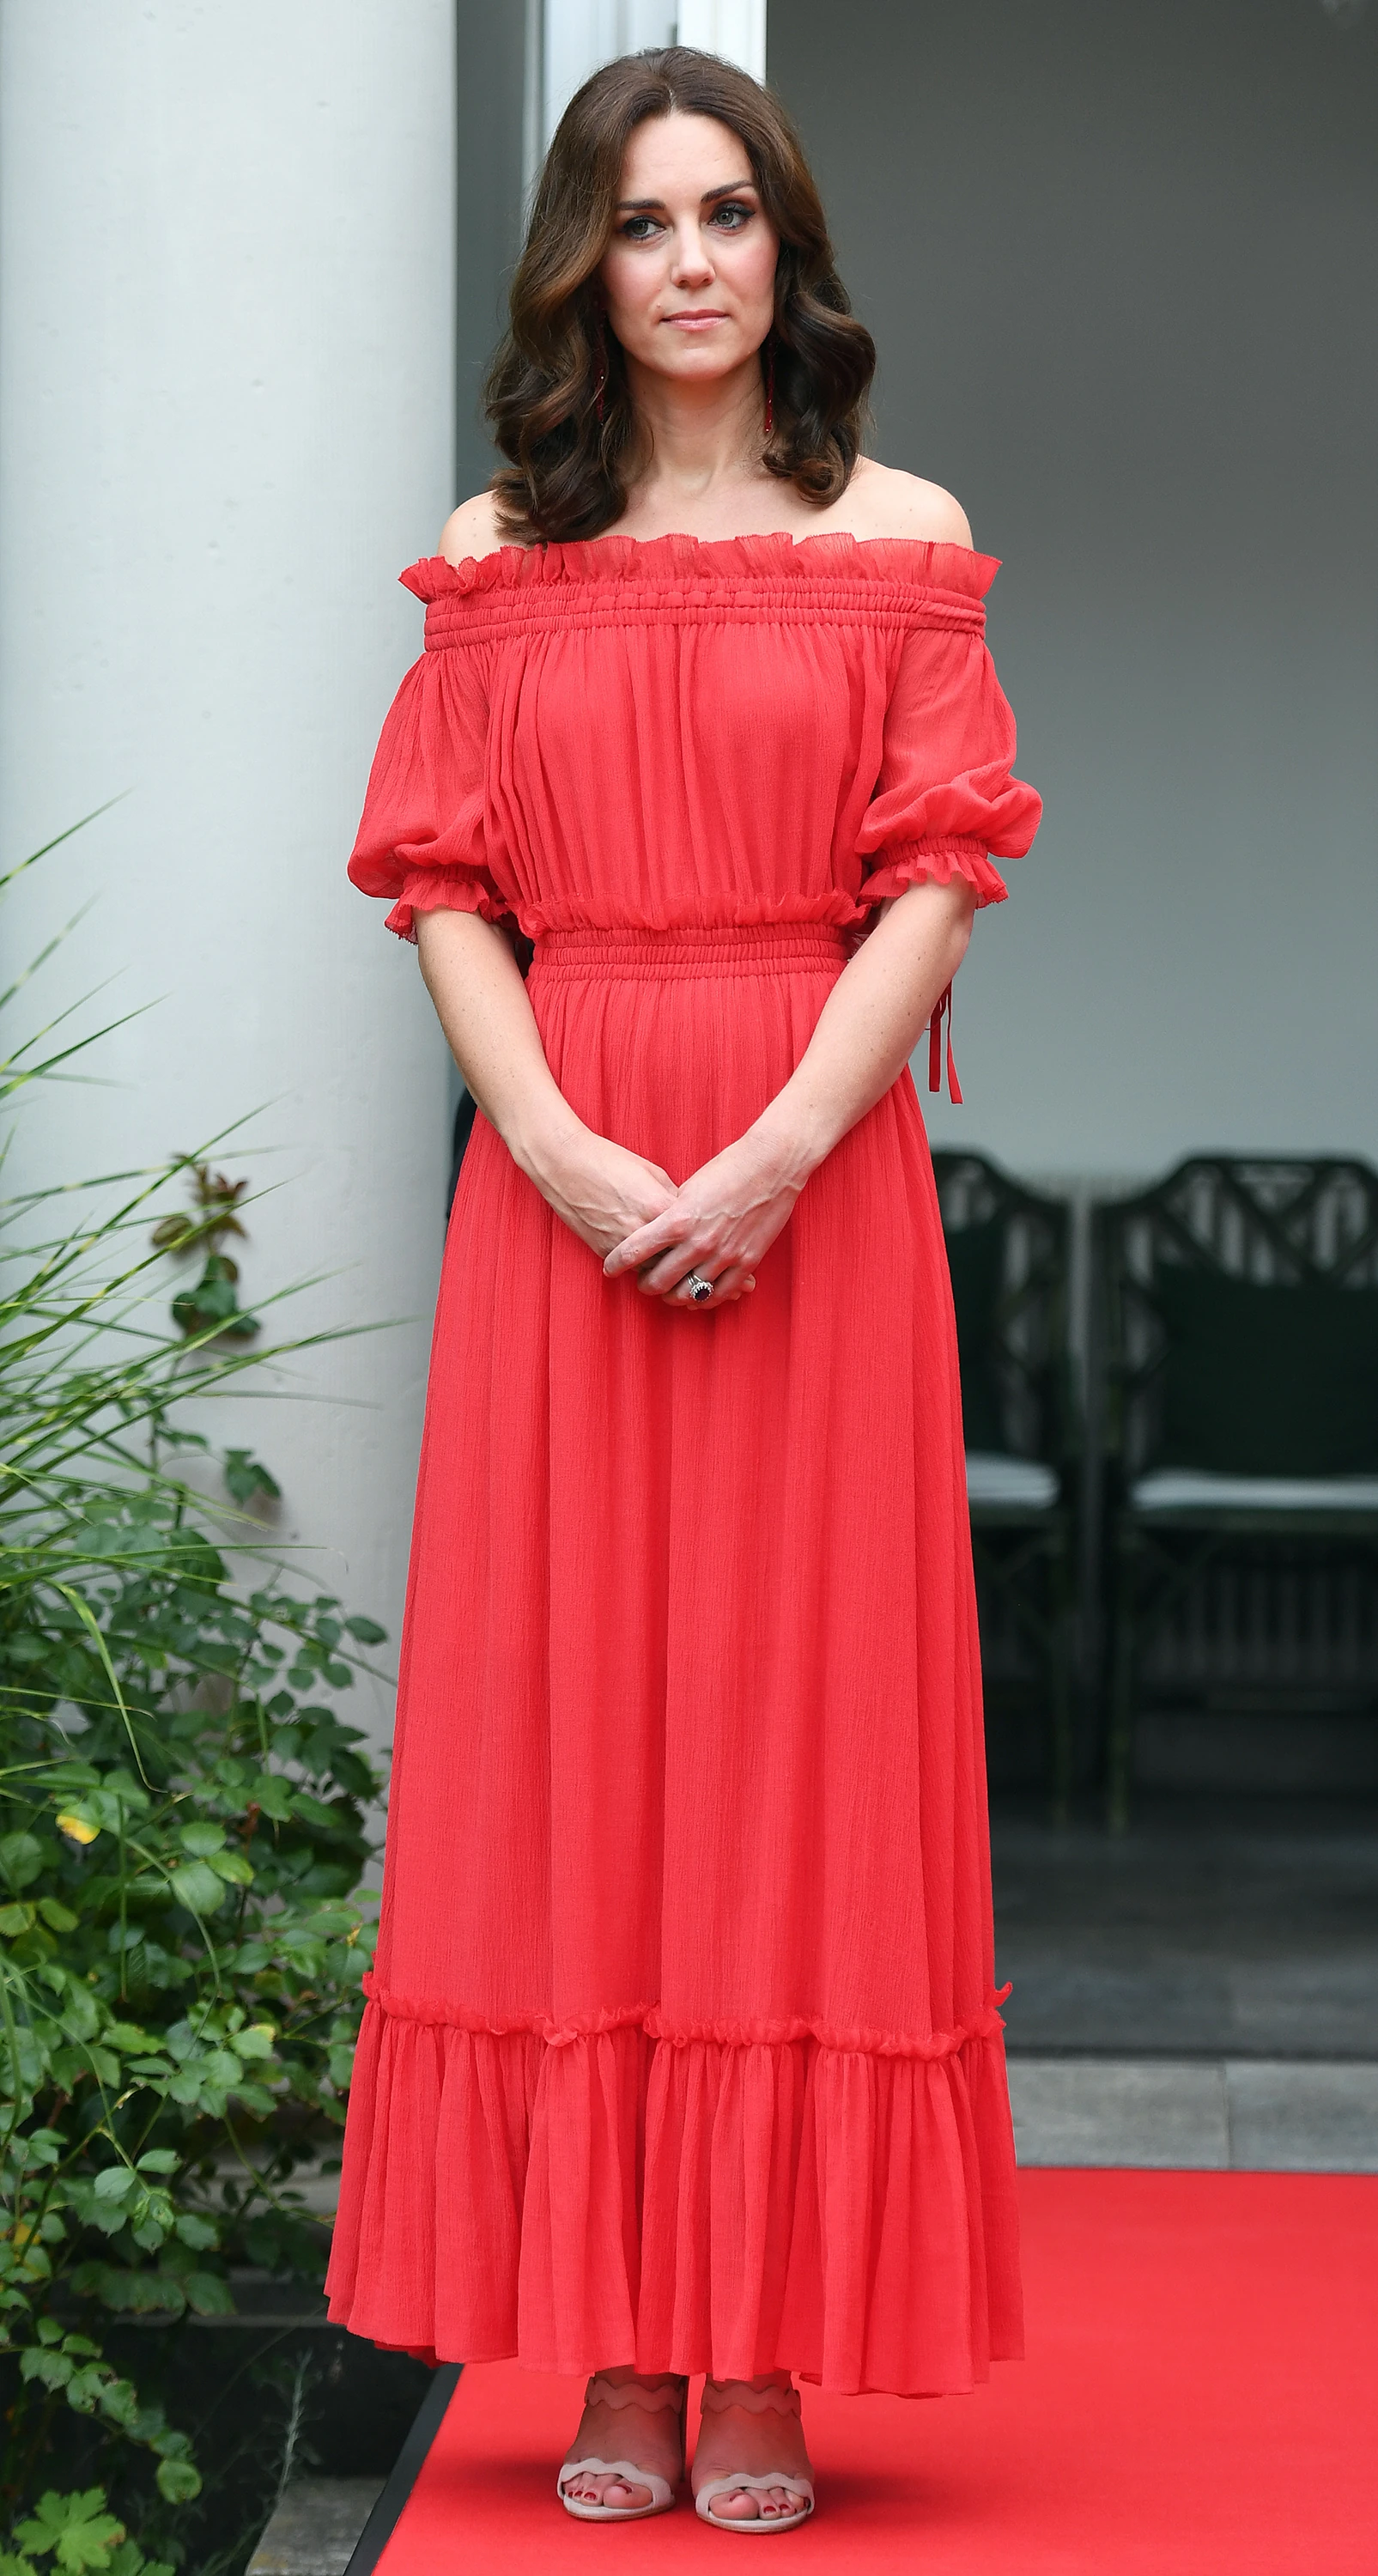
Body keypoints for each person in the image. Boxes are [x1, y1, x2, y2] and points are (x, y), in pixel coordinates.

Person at [326, 46, 1041, 2534]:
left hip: (810, 1192)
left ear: (786, 246)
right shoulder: (496, 553)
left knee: (800, 1747)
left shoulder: (905, 535)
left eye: (728, 213)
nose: (692, 261)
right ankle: (621, 2341)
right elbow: (441, 880)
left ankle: (761, 2353)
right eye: (642, 222)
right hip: (565, 1198)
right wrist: (546, 1145)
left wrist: (769, 1154)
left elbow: (937, 876)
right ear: (582, 267)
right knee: (584, 1748)